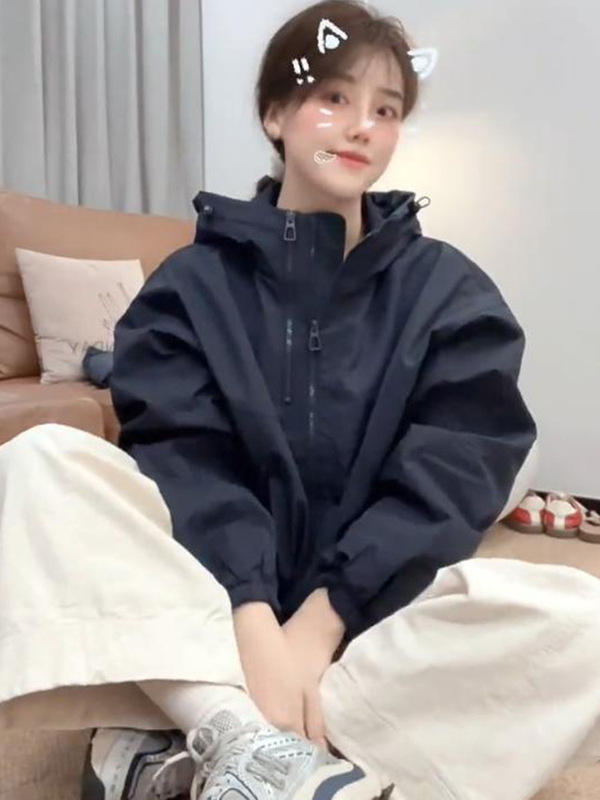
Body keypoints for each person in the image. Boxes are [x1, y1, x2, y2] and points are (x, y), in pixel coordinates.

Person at [1, 2, 600, 800]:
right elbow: (186, 457)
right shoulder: (189, 288)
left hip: (367, 627)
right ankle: (251, 740)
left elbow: (453, 473)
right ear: (275, 114)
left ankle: (204, 735)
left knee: (581, 622)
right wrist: (253, 618)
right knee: (41, 462)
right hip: (211, 604)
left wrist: (321, 623)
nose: (361, 127)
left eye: (386, 110)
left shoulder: (451, 294)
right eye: (334, 97)